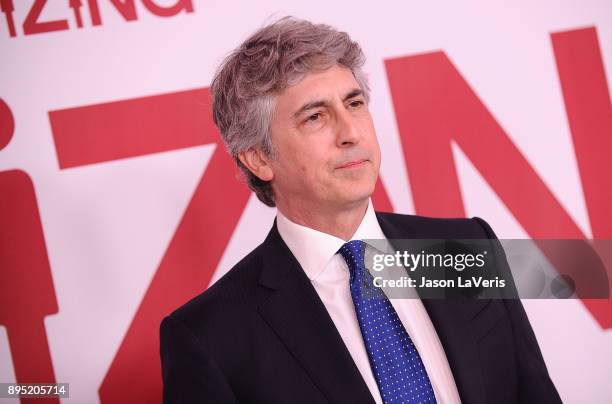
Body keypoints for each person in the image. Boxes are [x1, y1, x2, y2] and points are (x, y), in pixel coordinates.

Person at [159, 17, 561, 403]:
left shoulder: (467, 246)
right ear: (259, 158)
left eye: (354, 104)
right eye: (315, 117)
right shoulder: (209, 337)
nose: (351, 132)